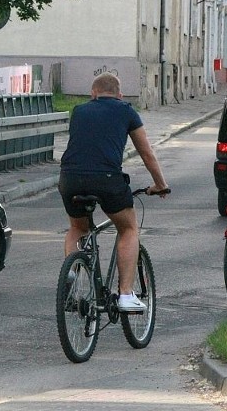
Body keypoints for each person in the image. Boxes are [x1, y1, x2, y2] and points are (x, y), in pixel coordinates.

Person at [58, 72, 169, 312]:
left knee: (77, 227)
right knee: (128, 228)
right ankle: (126, 295)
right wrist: (160, 184)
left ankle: (71, 274)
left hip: (69, 178)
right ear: (120, 95)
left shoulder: (79, 110)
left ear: (93, 93)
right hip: (106, 180)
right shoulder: (126, 110)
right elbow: (146, 153)